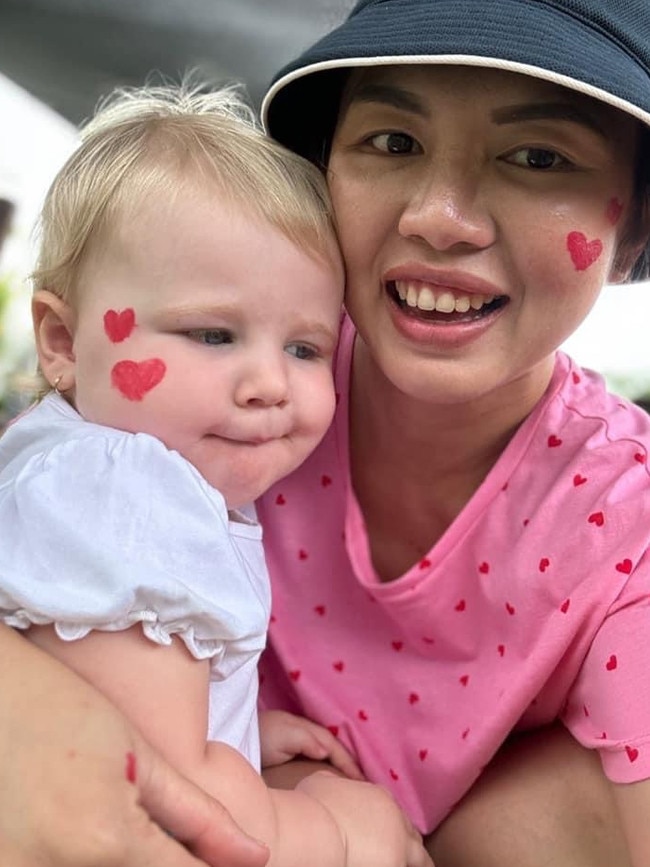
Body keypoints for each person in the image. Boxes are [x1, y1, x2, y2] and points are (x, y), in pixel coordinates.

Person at [1, 0, 650, 864]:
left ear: (635, 225)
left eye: (538, 156)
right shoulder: (204, 379)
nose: (439, 215)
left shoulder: (626, 525)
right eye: (391, 141)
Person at [0, 82, 431, 867]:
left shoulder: (78, 465)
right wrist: (335, 832)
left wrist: (235, 727)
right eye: (212, 333)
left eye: (304, 348)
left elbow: (110, 692)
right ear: (61, 340)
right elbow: (166, 800)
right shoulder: (127, 492)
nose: (269, 381)